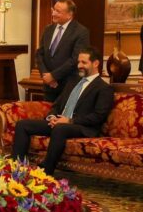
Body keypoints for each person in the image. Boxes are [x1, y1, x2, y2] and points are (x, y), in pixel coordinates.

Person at [12, 47, 113, 175]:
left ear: (96, 63)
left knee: (60, 128)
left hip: (82, 127)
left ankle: (45, 172)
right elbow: (57, 104)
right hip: (60, 123)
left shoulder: (104, 88)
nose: (79, 66)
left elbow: (98, 116)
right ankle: (17, 169)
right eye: (78, 62)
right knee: (23, 125)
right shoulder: (73, 81)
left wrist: (69, 121)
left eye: (84, 62)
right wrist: (52, 117)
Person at [35, 0, 90, 102]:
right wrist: (46, 75)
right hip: (49, 87)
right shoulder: (48, 29)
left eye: (58, 11)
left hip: (68, 85)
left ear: (69, 14)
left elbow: (76, 59)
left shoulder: (81, 32)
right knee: (48, 112)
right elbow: (39, 54)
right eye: (54, 10)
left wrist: (54, 76)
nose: (53, 13)